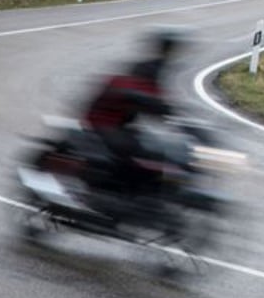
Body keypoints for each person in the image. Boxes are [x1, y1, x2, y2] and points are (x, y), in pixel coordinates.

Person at [78, 28, 187, 194]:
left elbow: (157, 100)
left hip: (122, 121)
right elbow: (141, 95)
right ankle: (119, 191)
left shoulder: (159, 67)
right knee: (137, 152)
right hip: (105, 122)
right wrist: (160, 108)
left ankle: (142, 192)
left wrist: (181, 119)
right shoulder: (146, 69)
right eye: (171, 46)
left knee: (159, 147)